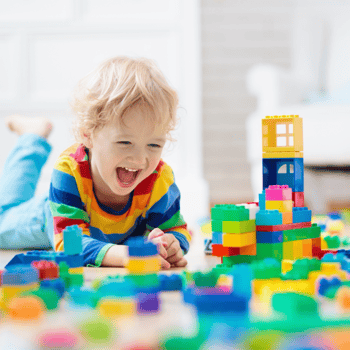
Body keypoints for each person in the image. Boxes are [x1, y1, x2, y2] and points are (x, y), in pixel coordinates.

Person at [0, 56, 191, 269]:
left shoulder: (159, 179)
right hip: (47, 216)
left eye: (154, 145)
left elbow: (176, 229)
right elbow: (69, 244)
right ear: (87, 135)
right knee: (3, 220)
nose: (140, 159)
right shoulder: (69, 171)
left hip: (99, 234)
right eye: (125, 142)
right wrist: (126, 255)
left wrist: (172, 244)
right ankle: (32, 138)